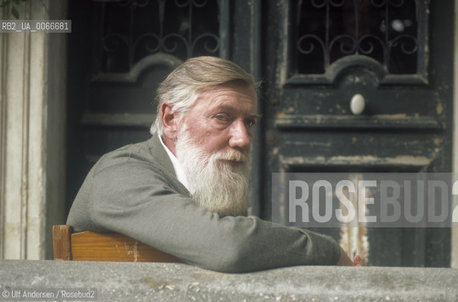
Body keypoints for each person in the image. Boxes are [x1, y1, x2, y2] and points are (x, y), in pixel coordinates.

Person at [67, 56, 360, 272]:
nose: (243, 139)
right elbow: (229, 246)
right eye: (222, 117)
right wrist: (330, 252)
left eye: (249, 122)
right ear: (171, 120)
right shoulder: (119, 173)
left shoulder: (206, 184)